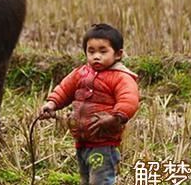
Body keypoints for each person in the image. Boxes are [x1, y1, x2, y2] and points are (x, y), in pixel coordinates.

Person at [39, 23, 139, 185]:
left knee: (100, 181)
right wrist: (52, 103)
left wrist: (115, 117)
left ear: (118, 54)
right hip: (82, 141)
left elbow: (129, 99)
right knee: (86, 179)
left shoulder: (121, 77)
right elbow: (64, 89)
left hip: (104, 143)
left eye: (103, 51)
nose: (96, 56)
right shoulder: (80, 73)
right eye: (91, 51)